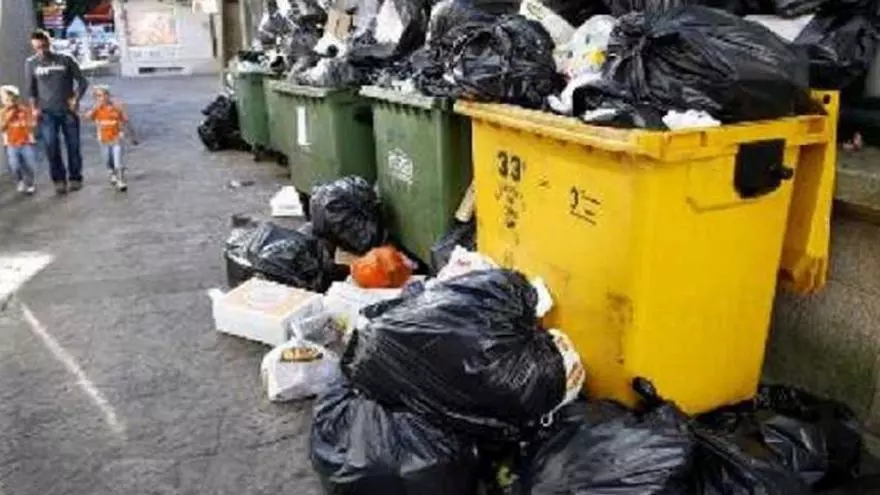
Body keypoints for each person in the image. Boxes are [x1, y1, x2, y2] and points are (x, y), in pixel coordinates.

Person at [26, 29, 88, 195]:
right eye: (37, 48)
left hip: (68, 111)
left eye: (43, 46)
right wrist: (34, 108)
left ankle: (75, 178)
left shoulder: (65, 59)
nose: (41, 51)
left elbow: (82, 82)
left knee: (73, 146)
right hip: (47, 113)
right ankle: (59, 180)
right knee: (51, 147)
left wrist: (76, 98)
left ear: (49, 43)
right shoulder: (31, 63)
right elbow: (31, 90)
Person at [84, 85, 137, 192]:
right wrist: (91, 109)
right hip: (103, 140)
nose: (102, 98)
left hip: (117, 138)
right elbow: (86, 118)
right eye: (99, 96)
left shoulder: (117, 107)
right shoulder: (97, 109)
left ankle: (121, 181)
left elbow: (126, 121)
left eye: (104, 95)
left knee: (118, 160)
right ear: (96, 98)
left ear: (108, 95)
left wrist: (133, 136)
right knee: (108, 160)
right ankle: (111, 172)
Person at [1, 86, 38, 195]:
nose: (9, 102)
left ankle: (30, 184)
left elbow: (32, 123)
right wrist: (8, 118)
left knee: (30, 164)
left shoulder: (24, 110)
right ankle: (20, 180)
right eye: (5, 100)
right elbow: (2, 128)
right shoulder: (2, 112)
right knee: (14, 165)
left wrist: (34, 117)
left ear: (16, 99)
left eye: (11, 99)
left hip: (25, 143)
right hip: (11, 144)